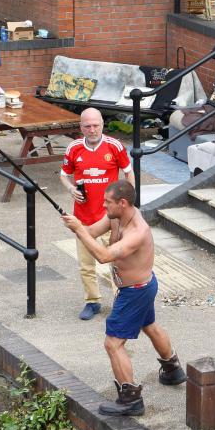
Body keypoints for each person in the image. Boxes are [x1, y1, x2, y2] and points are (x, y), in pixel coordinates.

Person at [61, 180, 186, 416]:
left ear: (123, 203)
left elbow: (104, 256)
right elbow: (91, 233)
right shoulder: (115, 216)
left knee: (113, 344)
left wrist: (79, 230)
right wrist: (76, 226)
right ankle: (173, 370)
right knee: (149, 325)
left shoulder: (138, 231)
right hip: (142, 285)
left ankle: (130, 399)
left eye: (107, 202)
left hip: (135, 291)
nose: (103, 205)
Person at [60, 108, 135, 320]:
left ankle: (121, 302)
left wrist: (130, 204)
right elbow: (64, 175)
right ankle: (92, 302)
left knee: (119, 263)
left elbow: (129, 172)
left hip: (111, 218)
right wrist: (70, 189)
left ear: (102, 124)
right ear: (80, 127)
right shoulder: (74, 148)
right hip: (83, 217)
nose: (92, 130)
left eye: (96, 125)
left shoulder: (115, 146)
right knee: (86, 264)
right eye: (87, 126)